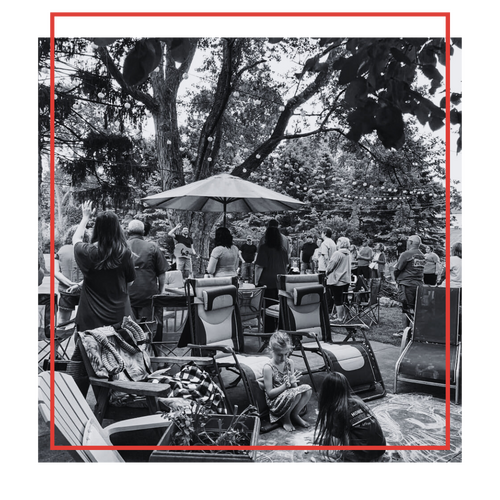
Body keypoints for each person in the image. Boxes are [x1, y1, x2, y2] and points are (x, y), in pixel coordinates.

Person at [71, 201, 136, 395]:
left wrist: (85, 217)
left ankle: (77, 401)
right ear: (118, 229)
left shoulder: (88, 252)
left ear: (97, 229)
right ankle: (113, 398)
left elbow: (75, 238)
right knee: (117, 357)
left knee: (82, 359)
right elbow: (130, 282)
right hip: (119, 317)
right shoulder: (125, 253)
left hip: (90, 318)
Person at [314, 372, 386, 464]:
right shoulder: (357, 401)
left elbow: (336, 437)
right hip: (380, 449)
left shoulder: (338, 410)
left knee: (327, 452)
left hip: (364, 455)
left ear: (326, 392)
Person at [262, 331, 312, 432]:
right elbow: (270, 394)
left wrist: (293, 382)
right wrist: (286, 385)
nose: (284, 358)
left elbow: (295, 388)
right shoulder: (268, 368)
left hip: (290, 395)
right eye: (280, 355)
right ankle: (285, 417)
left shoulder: (289, 363)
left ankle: (295, 414)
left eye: (286, 354)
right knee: (296, 393)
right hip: (276, 401)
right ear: (272, 351)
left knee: (308, 389)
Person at [127, 219, 169, 320]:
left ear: (128, 231)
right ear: (143, 231)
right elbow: (162, 273)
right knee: (149, 326)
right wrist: (161, 291)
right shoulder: (153, 247)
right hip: (148, 297)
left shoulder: (120, 247)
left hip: (126, 298)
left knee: (127, 327)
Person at [255, 224, 290, 332]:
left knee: (267, 309)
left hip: (267, 282)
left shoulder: (264, 248)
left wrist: (256, 282)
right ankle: (280, 331)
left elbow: (259, 267)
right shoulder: (283, 250)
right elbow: (286, 265)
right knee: (279, 310)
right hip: (281, 283)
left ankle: (268, 333)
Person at [393, 234, 426, 336]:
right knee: (416, 308)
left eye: (408, 241)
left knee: (405, 308)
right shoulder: (422, 255)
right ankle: (415, 330)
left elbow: (397, 269)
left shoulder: (406, 254)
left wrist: (396, 278)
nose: (407, 243)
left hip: (407, 284)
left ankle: (405, 331)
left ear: (411, 242)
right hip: (419, 285)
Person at [54, 225, 86, 324]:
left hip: (66, 291)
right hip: (85, 291)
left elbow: (55, 272)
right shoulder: (88, 250)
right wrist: (79, 285)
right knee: (84, 320)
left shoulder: (61, 250)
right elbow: (93, 272)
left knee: (63, 320)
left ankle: (60, 333)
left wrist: (69, 283)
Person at [326, 236, 352, 323]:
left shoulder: (337, 253)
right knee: (344, 298)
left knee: (338, 299)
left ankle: (340, 317)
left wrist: (326, 272)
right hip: (346, 279)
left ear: (341, 243)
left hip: (337, 279)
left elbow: (331, 266)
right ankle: (346, 315)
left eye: (338, 241)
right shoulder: (348, 254)